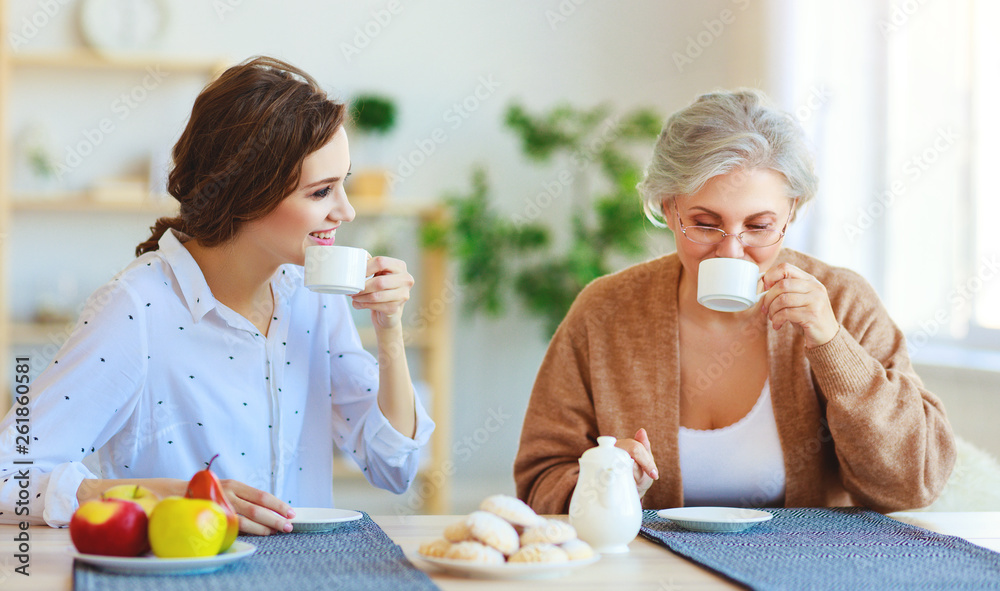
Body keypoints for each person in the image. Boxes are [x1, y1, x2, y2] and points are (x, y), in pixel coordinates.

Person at [0, 56, 433, 534]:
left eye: (343, 184)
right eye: (320, 192)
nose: (346, 211)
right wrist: (175, 496)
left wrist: (389, 329)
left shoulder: (315, 294)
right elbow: (9, 475)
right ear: (248, 193)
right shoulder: (137, 308)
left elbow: (394, 468)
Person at [514, 89, 955, 514]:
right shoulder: (606, 310)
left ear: (792, 213)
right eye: (705, 224)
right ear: (669, 209)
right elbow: (539, 480)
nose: (731, 251)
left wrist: (832, 345)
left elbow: (912, 484)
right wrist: (604, 482)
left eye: (759, 226)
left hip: (802, 573)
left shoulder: (842, 300)